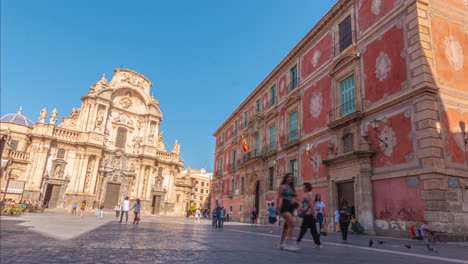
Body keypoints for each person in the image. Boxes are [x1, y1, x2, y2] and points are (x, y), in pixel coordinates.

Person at [276, 173, 300, 251]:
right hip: (284, 206)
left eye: (291, 177)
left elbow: (296, 196)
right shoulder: (282, 187)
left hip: (290, 207)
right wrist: (277, 207)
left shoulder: (292, 188)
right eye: (289, 177)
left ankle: (281, 243)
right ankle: (289, 243)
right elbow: (279, 197)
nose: (290, 178)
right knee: (292, 224)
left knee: (285, 227)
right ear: (286, 178)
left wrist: (295, 200)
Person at [296, 182, 321, 248]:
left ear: (307, 188)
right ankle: (318, 243)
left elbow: (311, 204)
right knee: (313, 229)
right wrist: (303, 208)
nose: (302, 188)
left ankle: (297, 241)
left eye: (303, 187)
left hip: (308, 214)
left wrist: (311, 211)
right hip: (309, 214)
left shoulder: (309, 194)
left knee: (304, 228)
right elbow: (308, 204)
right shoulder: (308, 194)